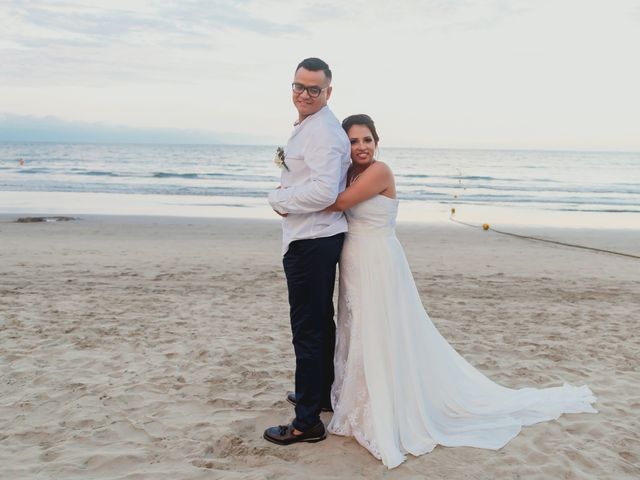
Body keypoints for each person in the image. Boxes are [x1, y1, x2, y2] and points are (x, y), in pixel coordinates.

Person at [323, 114, 598, 469]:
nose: (361, 147)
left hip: (378, 260)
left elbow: (338, 203)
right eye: (354, 141)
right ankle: (360, 398)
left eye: (367, 140)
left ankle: (385, 407)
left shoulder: (379, 172)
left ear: (377, 142)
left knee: (381, 328)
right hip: (354, 260)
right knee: (357, 327)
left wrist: (296, 193)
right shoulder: (349, 173)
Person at [263, 58, 351, 445]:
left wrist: (279, 199)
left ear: (328, 92)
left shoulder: (326, 133)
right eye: (299, 86)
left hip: (312, 242)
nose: (304, 94)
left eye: (314, 89)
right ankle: (321, 395)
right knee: (320, 323)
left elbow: (324, 192)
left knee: (308, 330)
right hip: (313, 238)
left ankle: (306, 422)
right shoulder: (310, 125)